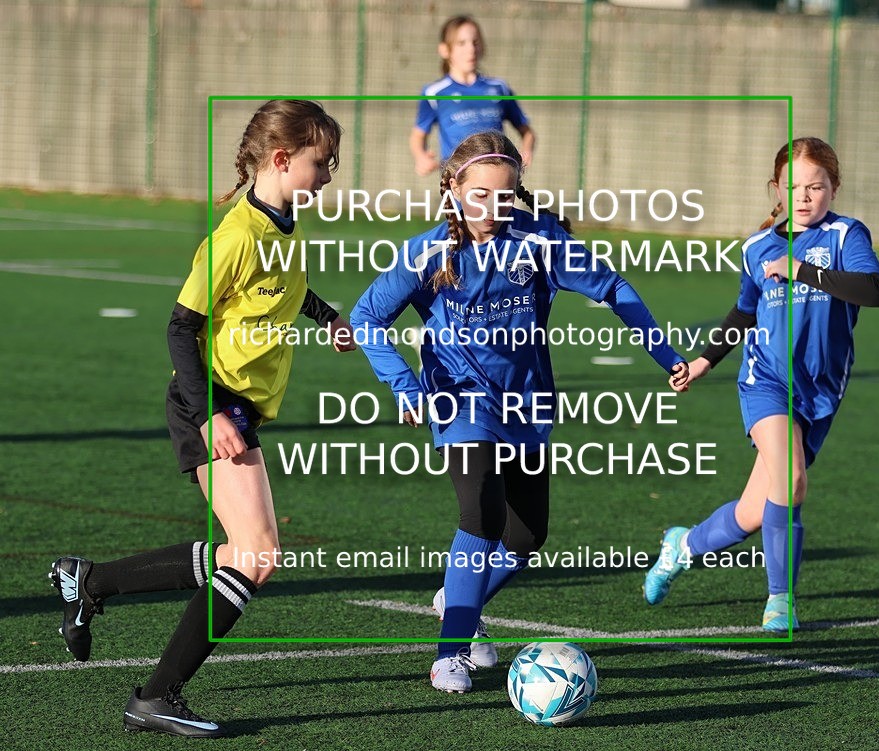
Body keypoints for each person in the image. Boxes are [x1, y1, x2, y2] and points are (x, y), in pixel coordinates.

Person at [49, 99, 355, 737]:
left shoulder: (283, 225)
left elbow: (282, 291)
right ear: (281, 159)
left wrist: (328, 319)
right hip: (209, 402)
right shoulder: (235, 236)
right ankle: (156, 696)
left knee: (243, 554)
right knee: (257, 555)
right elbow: (180, 329)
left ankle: (91, 581)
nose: (328, 175)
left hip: (235, 405)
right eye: (320, 163)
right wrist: (211, 412)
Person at [352, 130, 690, 693]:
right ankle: (451, 653)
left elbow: (612, 288)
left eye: (505, 197)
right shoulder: (427, 252)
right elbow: (366, 318)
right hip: (459, 401)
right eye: (479, 194)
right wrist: (406, 388)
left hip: (525, 404)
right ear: (452, 187)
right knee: (480, 516)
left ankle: (457, 597)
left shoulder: (540, 240)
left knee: (527, 537)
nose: (491, 208)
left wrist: (666, 354)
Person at [643, 137, 879, 632]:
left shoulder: (846, 236)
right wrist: (706, 361)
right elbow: (744, 312)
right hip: (766, 381)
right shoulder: (758, 247)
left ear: (834, 189)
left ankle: (682, 545)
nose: (805, 197)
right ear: (776, 188)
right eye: (794, 187)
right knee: (792, 479)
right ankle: (781, 601)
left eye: (816, 187)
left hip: (819, 389)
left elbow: (874, 291)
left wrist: (805, 272)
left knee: (755, 510)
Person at [409, 15, 536, 177]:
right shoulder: (435, 93)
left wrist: (526, 151)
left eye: (475, 42)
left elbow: (527, 132)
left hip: (496, 177)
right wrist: (421, 157)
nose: (471, 49)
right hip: (458, 178)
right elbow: (417, 136)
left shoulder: (499, 88)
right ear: (444, 50)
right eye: (461, 43)